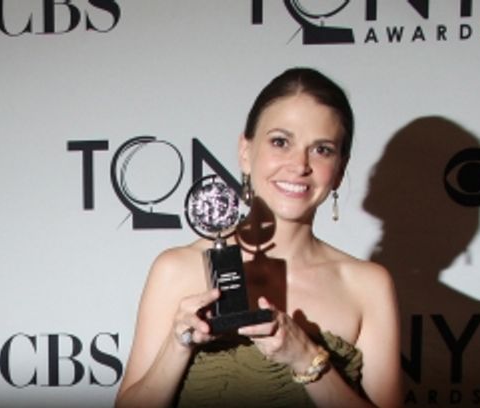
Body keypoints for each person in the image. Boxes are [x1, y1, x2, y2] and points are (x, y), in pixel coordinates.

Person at [115, 67, 402, 407]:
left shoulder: (367, 285)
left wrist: (306, 359)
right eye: (281, 142)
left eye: (322, 149)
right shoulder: (177, 269)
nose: (299, 165)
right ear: (245, 152)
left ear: (340, 169)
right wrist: (177, 347)